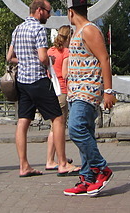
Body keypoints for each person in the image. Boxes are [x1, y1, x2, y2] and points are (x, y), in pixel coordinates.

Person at [6, 0, 77, 178]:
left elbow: (9, 57)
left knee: (23, 122)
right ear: (39, 10)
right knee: (57, 119)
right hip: (38, 79)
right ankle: (62, 163)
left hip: (22, 81)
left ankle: (23, 165)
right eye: (48, 11)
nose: (49, 14)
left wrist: (25, 60)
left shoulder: (18, 28)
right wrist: (49, 61)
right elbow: (43, 57)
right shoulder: (38, 29)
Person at [63, 0, 116, 196]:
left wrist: (108, 91)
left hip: (87, 91)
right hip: (76, 91)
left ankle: (101, 169)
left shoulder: (89, 30)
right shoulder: (77, 32)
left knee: (75, 129)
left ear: (70, 12)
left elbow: (104, 59)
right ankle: (87, 178)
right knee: (86, 133)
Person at [45, 25, 74, 171]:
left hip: (50, 90)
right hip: (61, 90)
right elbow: (65, 73)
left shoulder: (50, 51)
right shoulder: (66, 52)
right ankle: (52, 160)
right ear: (68, 37)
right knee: (59, 127)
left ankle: (55, 158)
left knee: (53, 126)